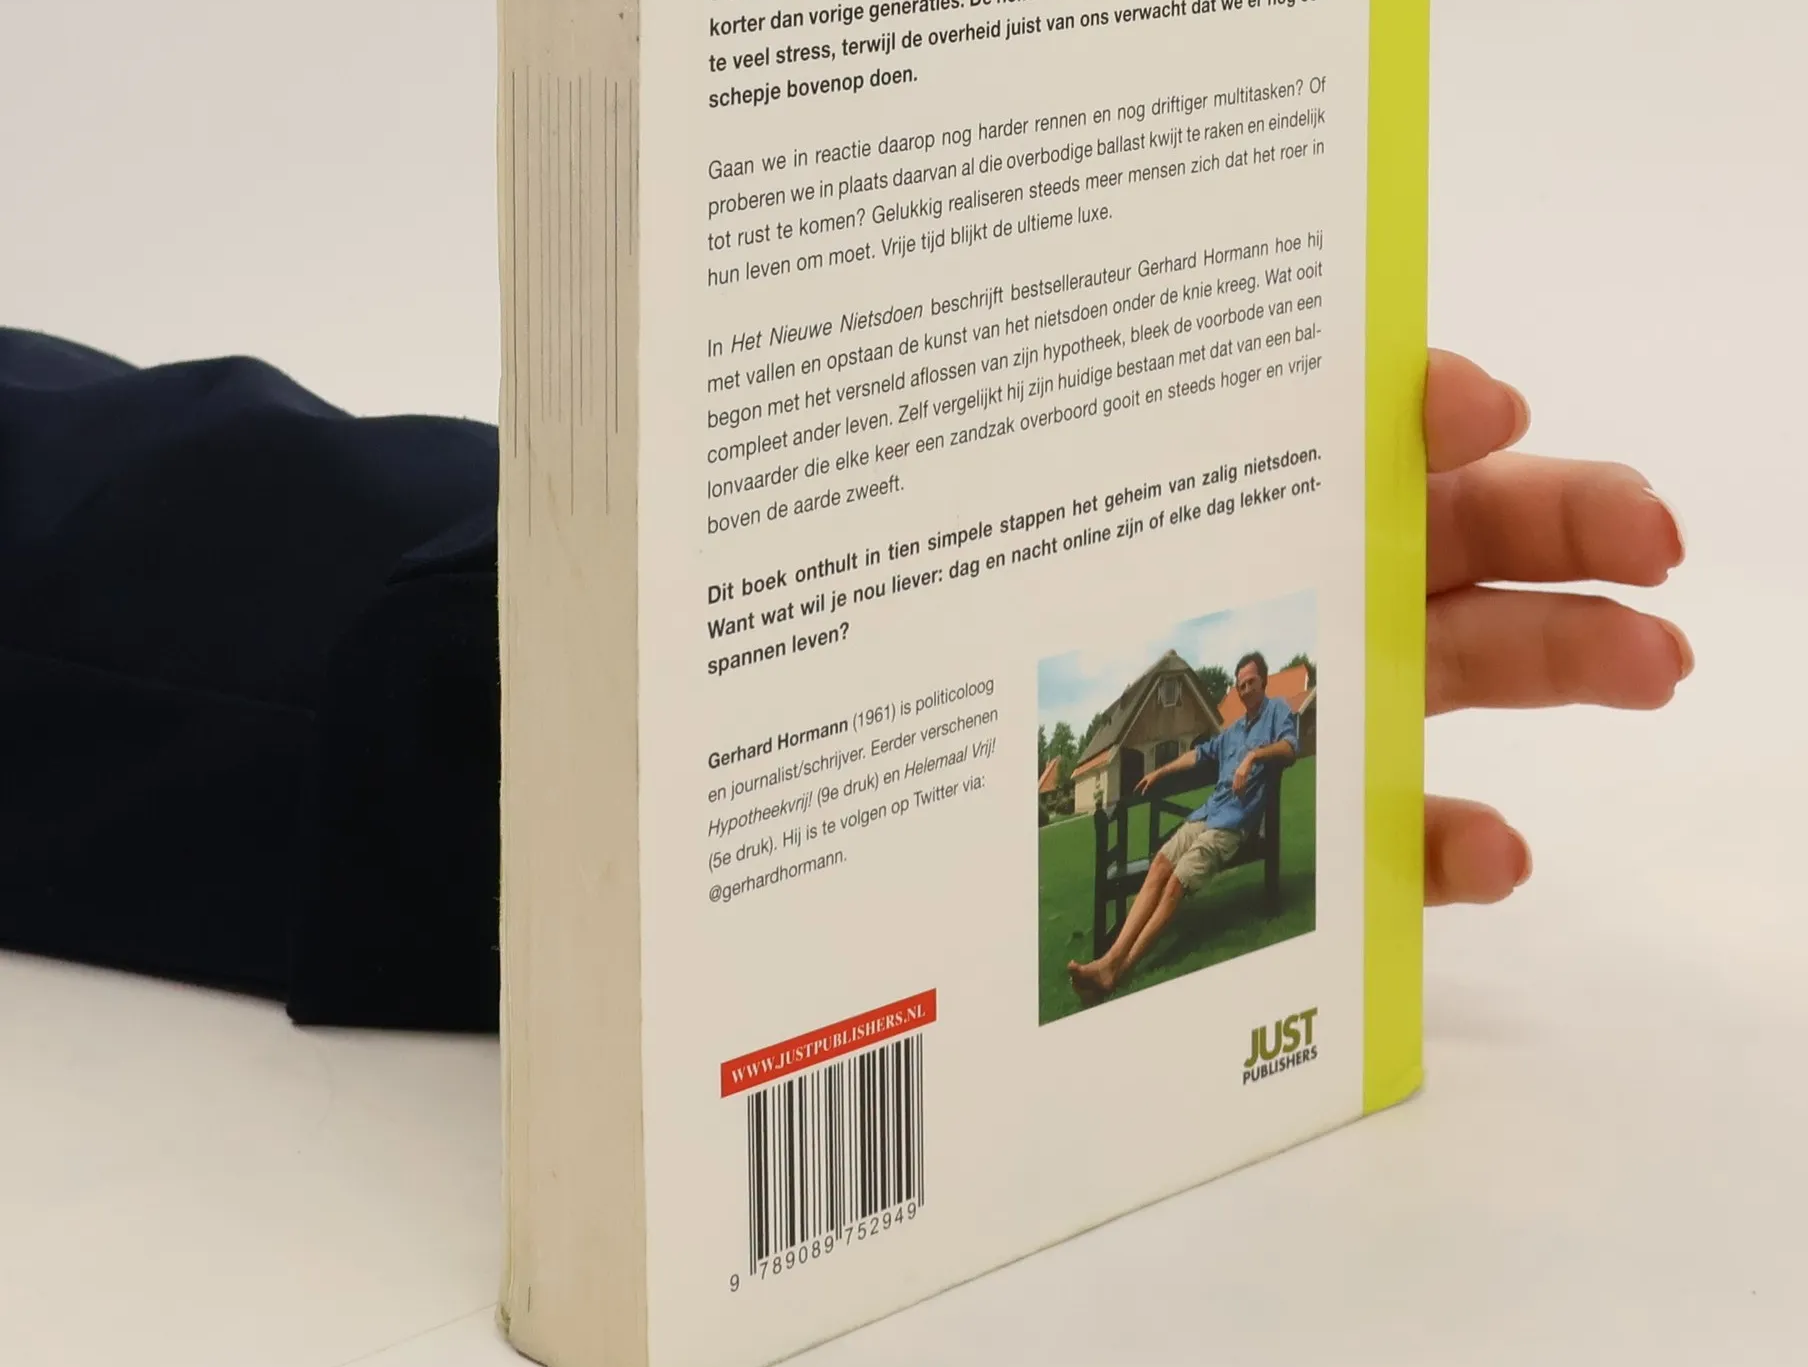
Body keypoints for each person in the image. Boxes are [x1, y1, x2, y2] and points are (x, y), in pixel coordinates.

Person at [0, 335, 1690, 1030]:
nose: (1261, 675)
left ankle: (1105, 940)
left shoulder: (1260, 720)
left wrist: (742, 644)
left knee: (1165, 866)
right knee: (1158, 866)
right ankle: (1108, 942)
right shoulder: (1232, 726)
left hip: (416, 629)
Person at [1068, 651, 1299, 1004]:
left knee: (1177, 882)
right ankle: (1109, 961)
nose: (1245, 690)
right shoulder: (1233, 731)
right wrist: (1160, 771)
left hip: (1234, 824)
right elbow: (1198, 755)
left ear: (1264, 681)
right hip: (1208, 814)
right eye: (1240, 685)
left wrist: (1253, 756)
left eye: (1251, 682)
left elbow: (1290, 748)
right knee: (1161, 863)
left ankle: (1118, 970)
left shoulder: (1277, 711)